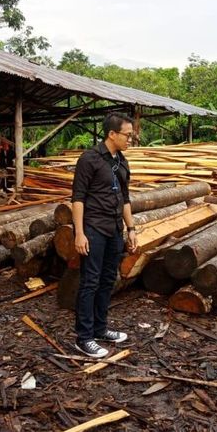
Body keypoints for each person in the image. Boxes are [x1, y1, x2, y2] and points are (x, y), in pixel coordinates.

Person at [71, 112, 138, 358]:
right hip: (93, 229)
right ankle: (84, 337)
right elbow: (77, 198)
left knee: (108, 279)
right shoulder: (89, 159)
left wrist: (130, 229)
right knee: (90, 280)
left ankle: (100, 328)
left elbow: (125, 198)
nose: (131, 139)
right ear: (112, 134)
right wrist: (79, 233)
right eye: (127, 135)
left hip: (114, 230)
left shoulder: (121, 162)